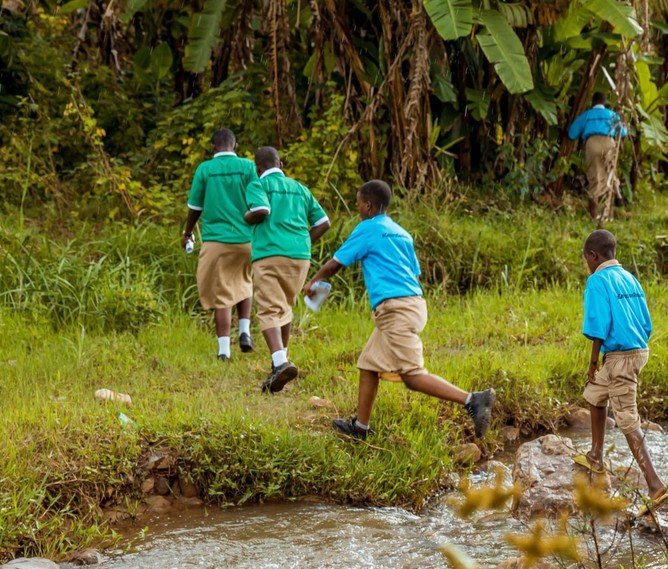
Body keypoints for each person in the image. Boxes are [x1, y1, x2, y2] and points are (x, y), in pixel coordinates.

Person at [305, 180, 496, 439]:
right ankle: (360, 427)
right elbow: (414, 274)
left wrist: (314, 281)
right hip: (413, 305)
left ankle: (473, 400)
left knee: (412, 376)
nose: (358, 207)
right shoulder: (401, 232)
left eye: (359, 203)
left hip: (395, 310)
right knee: (369, 365)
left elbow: (336, 263)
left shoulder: (367, 228)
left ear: (369, 205)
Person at [578, 229, 667, 501]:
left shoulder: (597, 281)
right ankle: (595, 454)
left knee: (627, 417)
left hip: (619, 357)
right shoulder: (629, 278)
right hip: (638, 349)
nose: (587, 265)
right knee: (594, 395)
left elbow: (598, 326)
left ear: (593, 256)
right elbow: (646, 319)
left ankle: (655, 484)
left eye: (586, 260)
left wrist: (593, 362)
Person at [243, 147, 330, 393]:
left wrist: (247, 217)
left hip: (270, 254)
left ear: (258, 168)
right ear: (281, 163)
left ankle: (281, 362)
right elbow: (323, 222)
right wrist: (303, 241)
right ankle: (279, 363)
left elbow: (262, 210)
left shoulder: (257, 184)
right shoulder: (300, 188)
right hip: (300, 256)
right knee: (285, 308)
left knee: (269, 309)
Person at [180, 129, 257, 360]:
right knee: (245, 281)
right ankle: (245, 332)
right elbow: (260, 202)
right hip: (246, 239)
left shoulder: (205, 169)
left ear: (213, 146)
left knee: (221, 292)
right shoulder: (248, 167)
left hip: (216, 240)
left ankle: (224, 351)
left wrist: (187, 232)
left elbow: (195, 207)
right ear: (235, 146)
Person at [567, 92, 626, 224]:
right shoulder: (612, 115)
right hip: (609, 143)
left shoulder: (587, 115)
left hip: (592, 143)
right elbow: (622, 132)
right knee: (610, 172)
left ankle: (593, 216)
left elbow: (571, 134)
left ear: (592, 102)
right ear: (604, 103)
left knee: (595, 177)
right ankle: (618, 196)